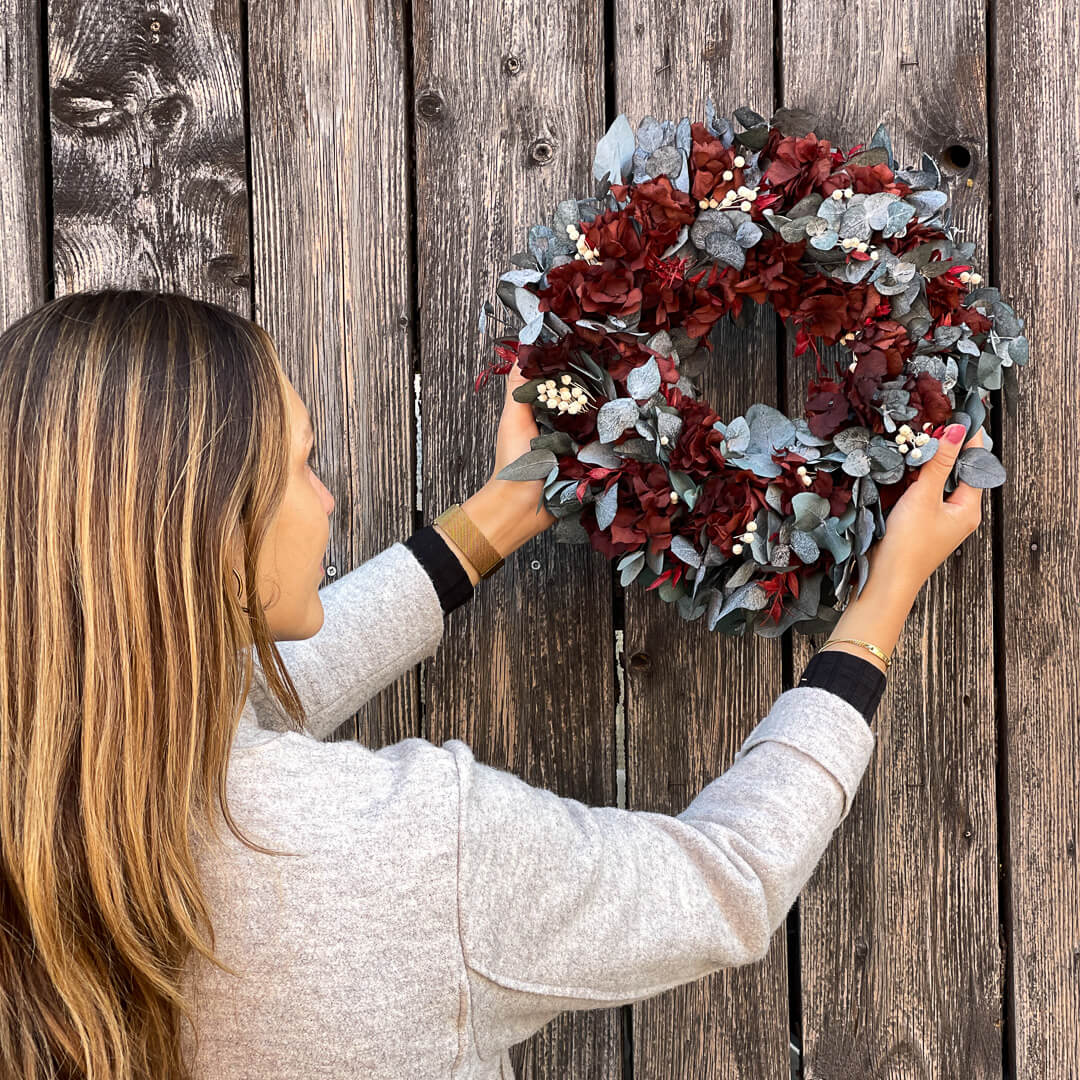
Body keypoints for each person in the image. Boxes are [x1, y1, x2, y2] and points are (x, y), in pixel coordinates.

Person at [0, 289, 986, 1080]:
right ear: (212, 532)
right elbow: (727, 881)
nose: (328, 495)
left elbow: (239, 702)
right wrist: (882, 596)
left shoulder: (49, 793)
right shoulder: (410, 848)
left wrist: (502, 517)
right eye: (304, 465)